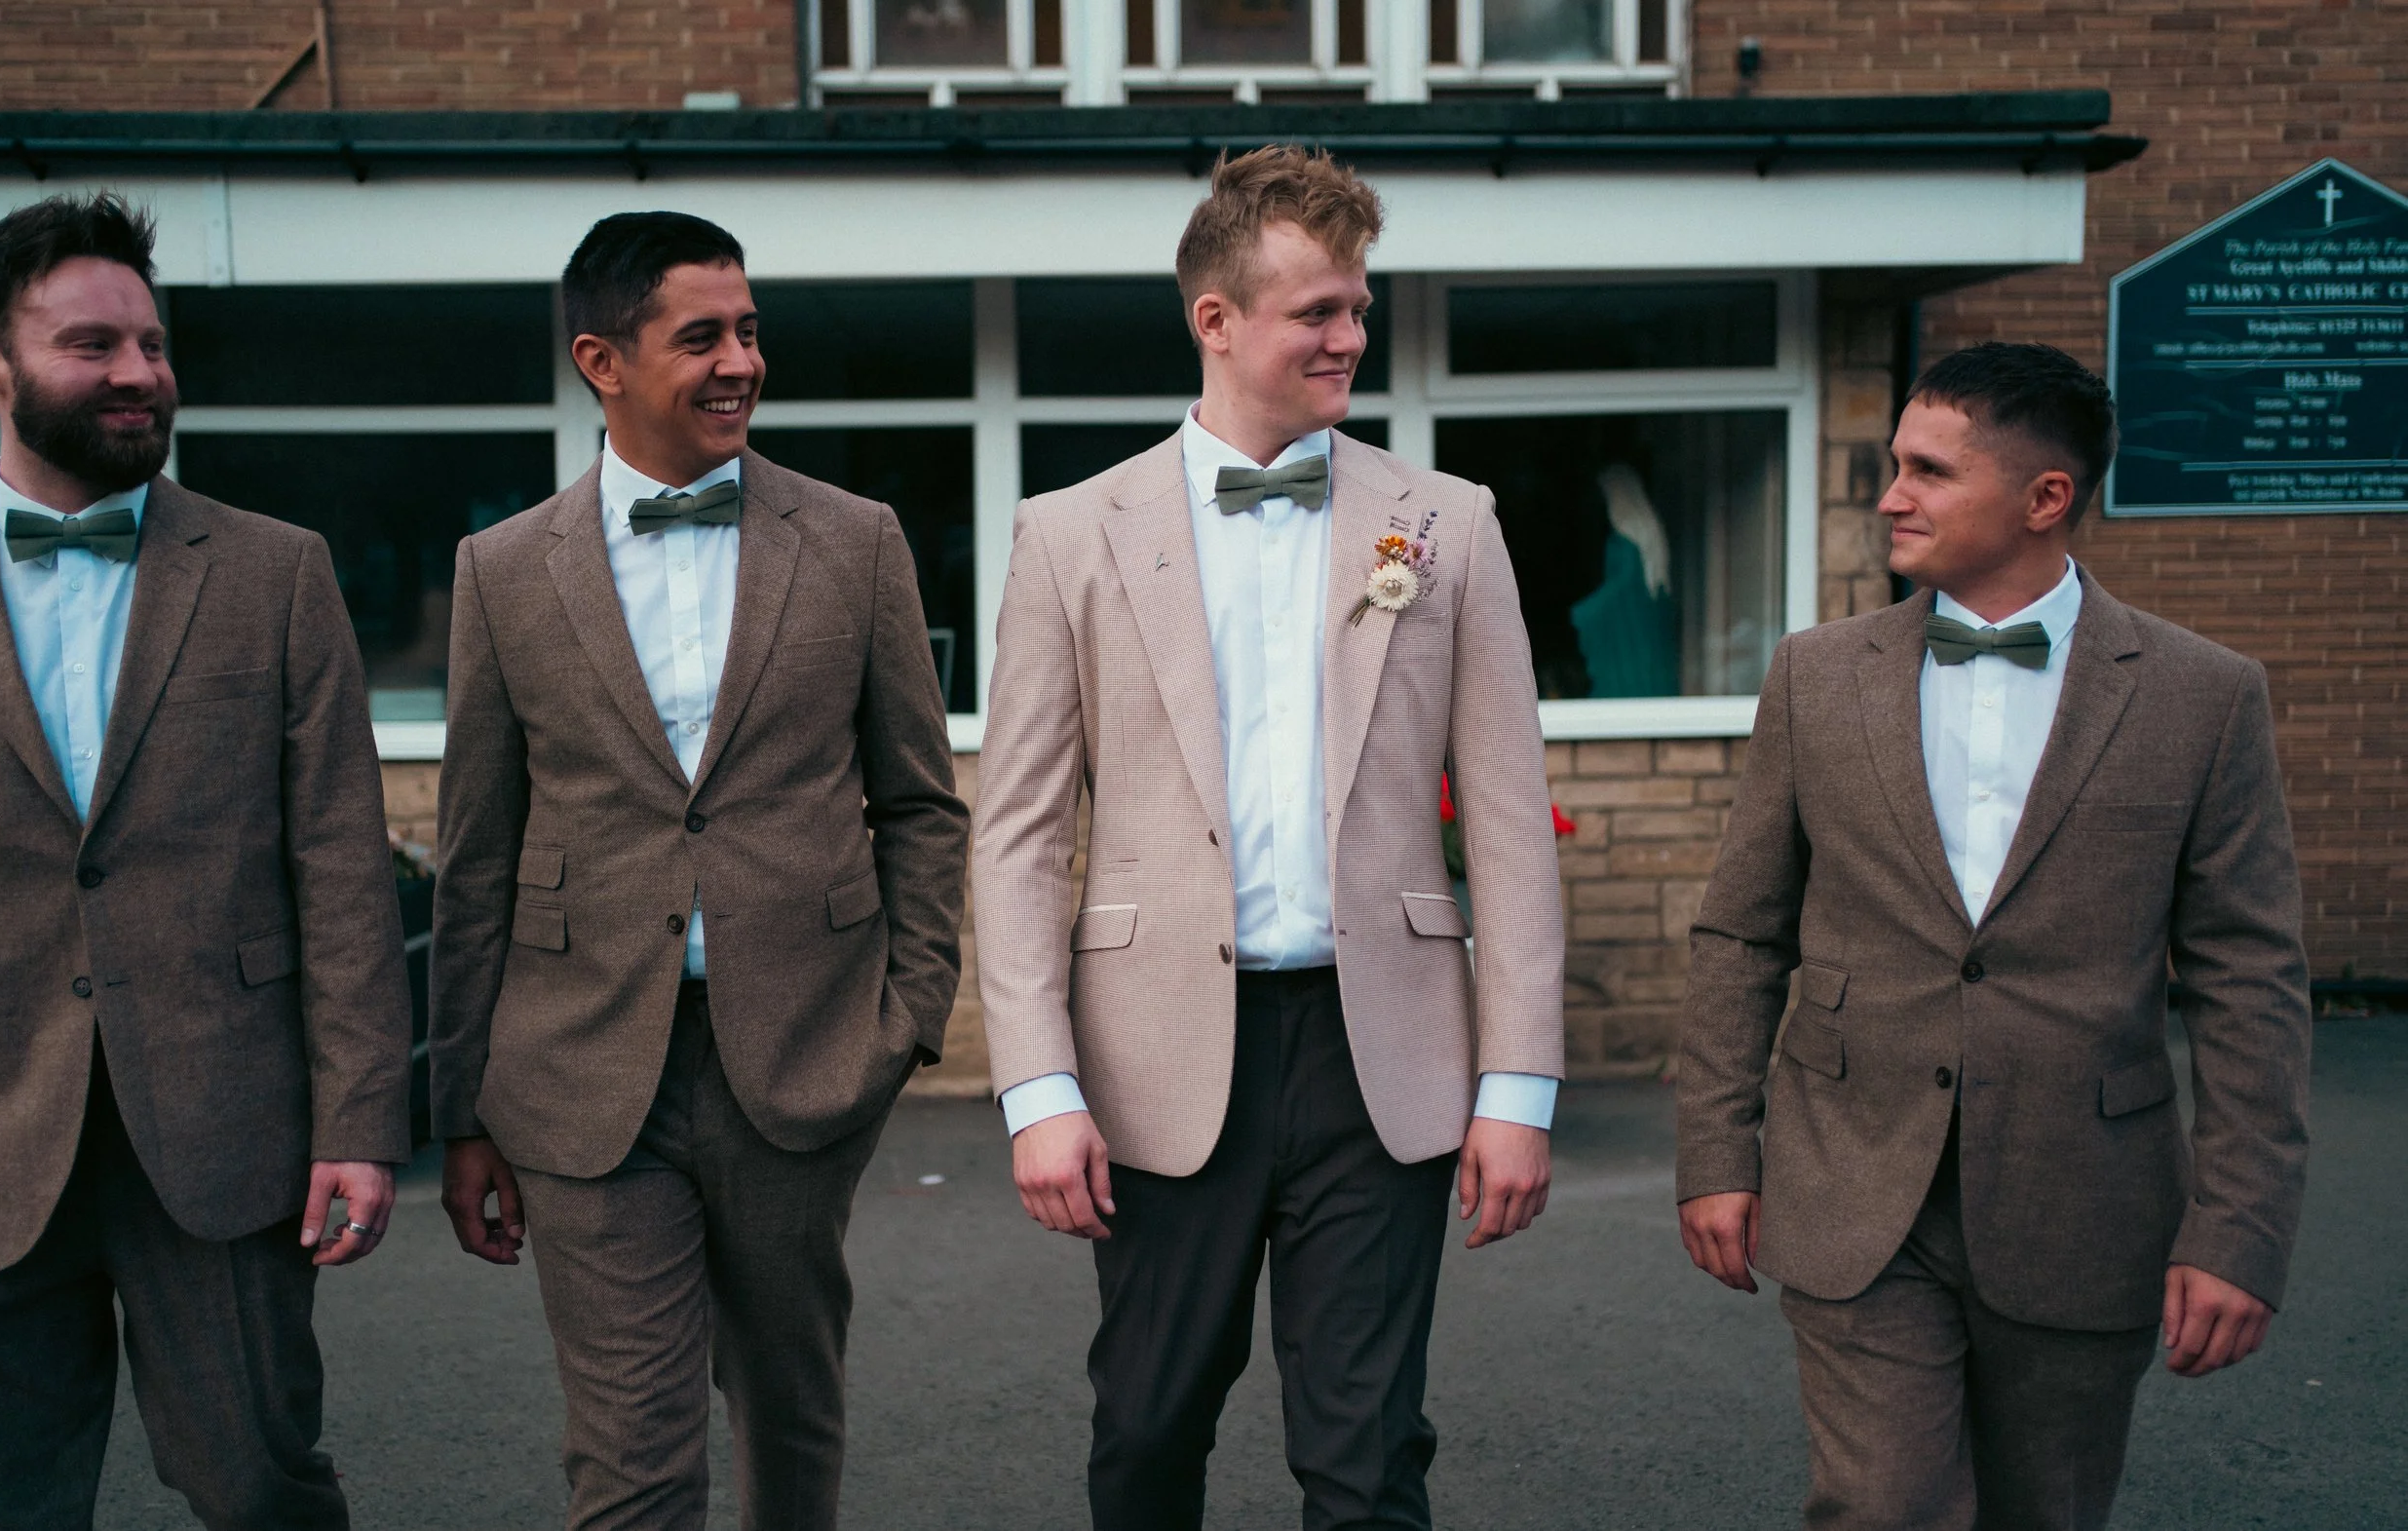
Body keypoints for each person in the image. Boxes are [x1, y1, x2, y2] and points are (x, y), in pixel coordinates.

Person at [972, 146, 1566, 1530]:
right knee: (1145, 1434)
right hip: (1158, 1051)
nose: (1350, 335)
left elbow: (1510, 816)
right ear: (1217, 319)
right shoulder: (1069, 533)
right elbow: (1013, 835)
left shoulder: (1448, 524)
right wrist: (1035, 1084)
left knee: (1366, 1454)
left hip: (1386, 1054)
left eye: (1360, 306)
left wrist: (1518, 1081)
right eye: (1318, 310)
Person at [1675, 341, 2312, 1531]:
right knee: (1884, 1502)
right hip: (1857, 1180)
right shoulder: (1816, 677)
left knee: (2044, 1509)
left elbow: (2252, 981)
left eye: (1927, 469)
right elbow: (1741, 932)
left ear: (2044, 498)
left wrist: (2240, 1227)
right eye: (1891, 463)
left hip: (2086, 1201)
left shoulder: (2202, 694)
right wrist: (1714, 1146)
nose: (1890, 494)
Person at [429, 210, 968, 1531]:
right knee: (633, 1461)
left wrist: (907, 1013)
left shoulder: (857, 541)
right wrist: (461, 1103)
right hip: (575, 1072)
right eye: (702, 335)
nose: (741, 360)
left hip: (802, 1046)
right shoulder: (501, 572)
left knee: (789, 1412)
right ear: (601, 360)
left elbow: (919, 801)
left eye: (749, 329)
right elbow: (476, 849)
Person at [0, 193, 411, 1528]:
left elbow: (342, 868)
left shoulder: (277, 573)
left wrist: (359, 1120)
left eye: (152, 345)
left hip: (227, 1127)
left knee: (260, 1483)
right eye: (92, 344)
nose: (138, 374)